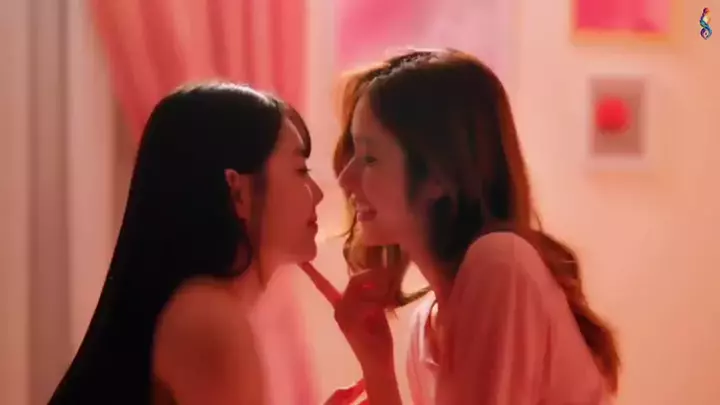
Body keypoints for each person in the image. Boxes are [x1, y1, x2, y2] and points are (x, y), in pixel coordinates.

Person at [326, 48, 620, 404]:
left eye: (370, 158)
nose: (345, 178)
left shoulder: (499, 263)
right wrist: (377, 370)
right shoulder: (427, 325)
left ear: (439, 175)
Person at [48, 82, 328, 405]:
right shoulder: (210, 320)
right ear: (239, 192)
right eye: (300, 170)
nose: (318, 193)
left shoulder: (195, 306)